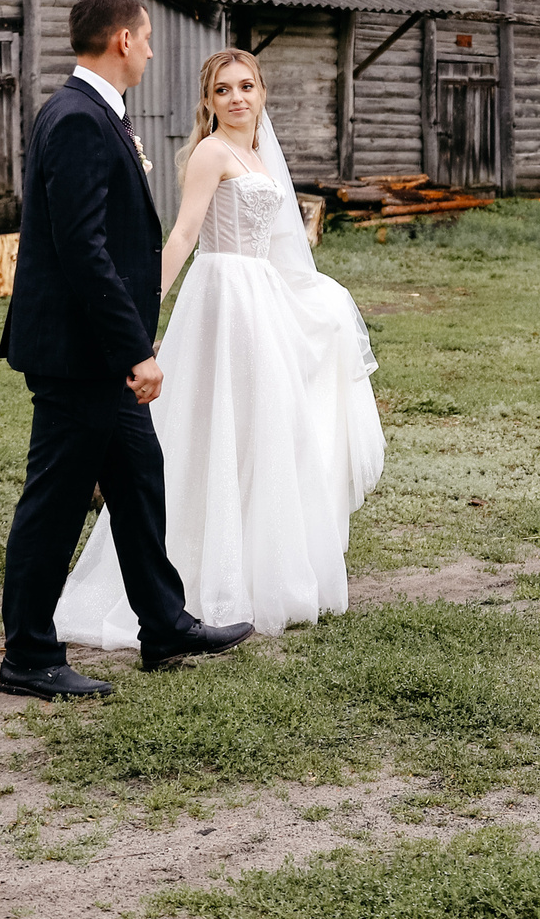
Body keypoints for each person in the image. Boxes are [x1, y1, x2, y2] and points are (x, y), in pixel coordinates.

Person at [53, 47, 385, 651]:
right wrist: (139, 314)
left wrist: (311, 298)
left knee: (264, 429)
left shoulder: (260, 154)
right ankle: (193, 582)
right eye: (224, 90)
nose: (237, 98)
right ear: (208, 101)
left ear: (262, 93)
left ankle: (260, 572)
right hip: (222, 295)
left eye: (247, 87)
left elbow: (279, 243)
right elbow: (183, 234)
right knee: (216, 426)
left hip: (262, 297)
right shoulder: (211, 152)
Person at [0, 0, 254, 700]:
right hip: (80, 355)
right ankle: (28, 655)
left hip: (98, 353)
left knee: (140, 480)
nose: (149, 51)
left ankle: (164, 625)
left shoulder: (91, 112)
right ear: (122, 41)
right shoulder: (79, 118)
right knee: (54, 501)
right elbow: (83, 250)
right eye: (146, 38)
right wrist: (135, 348)